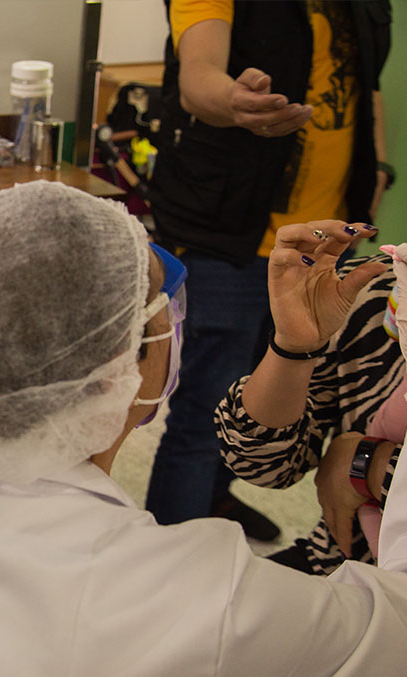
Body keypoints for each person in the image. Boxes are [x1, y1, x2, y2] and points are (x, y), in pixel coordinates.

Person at [0, 182, 407, 675]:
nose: (175, 322)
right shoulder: (200, 601)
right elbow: (392, 633)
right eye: (159, 305)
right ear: (115, 372)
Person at [145, 0, 393, 536]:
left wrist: (379, 168)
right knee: (203, 417)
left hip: (325, 243)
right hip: (229, 236)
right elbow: (198, 78)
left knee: (262, 405)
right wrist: (234, 100)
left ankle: (216, 500)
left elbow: (365, 86)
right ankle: (171, 560)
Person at [215, 226, 402, 574]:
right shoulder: (375, 287)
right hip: (342, 565)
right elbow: (262, 464)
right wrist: (293, 347)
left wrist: (369, 465)